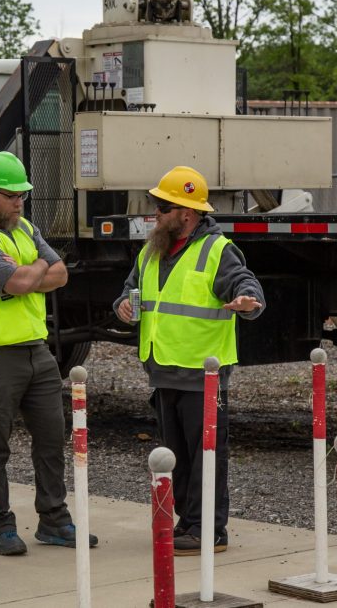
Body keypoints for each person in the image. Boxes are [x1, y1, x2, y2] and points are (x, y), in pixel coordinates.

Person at [0, 151, 98, 556]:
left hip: (36, 350)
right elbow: (17, 283)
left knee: (52, 436)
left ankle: (54, 519)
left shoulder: (25, 227)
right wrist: (29, 272)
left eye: (22, 195)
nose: (19, 202)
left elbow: (60, 272)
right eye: (11, 195)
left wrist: (27, 272)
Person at [113, 165, 265, 556]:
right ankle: (189, 522)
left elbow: (245, 284)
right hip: (163, 370)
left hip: (203, 374)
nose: (155, 214)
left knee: (207, 456)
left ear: (187, 213)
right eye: (155, 206)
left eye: (162, 207)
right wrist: (123, 306)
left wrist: (248, 302)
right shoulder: (152, 251)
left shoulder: (217, 250)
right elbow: (131, 290)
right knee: (175, 456)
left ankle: (210, 530)